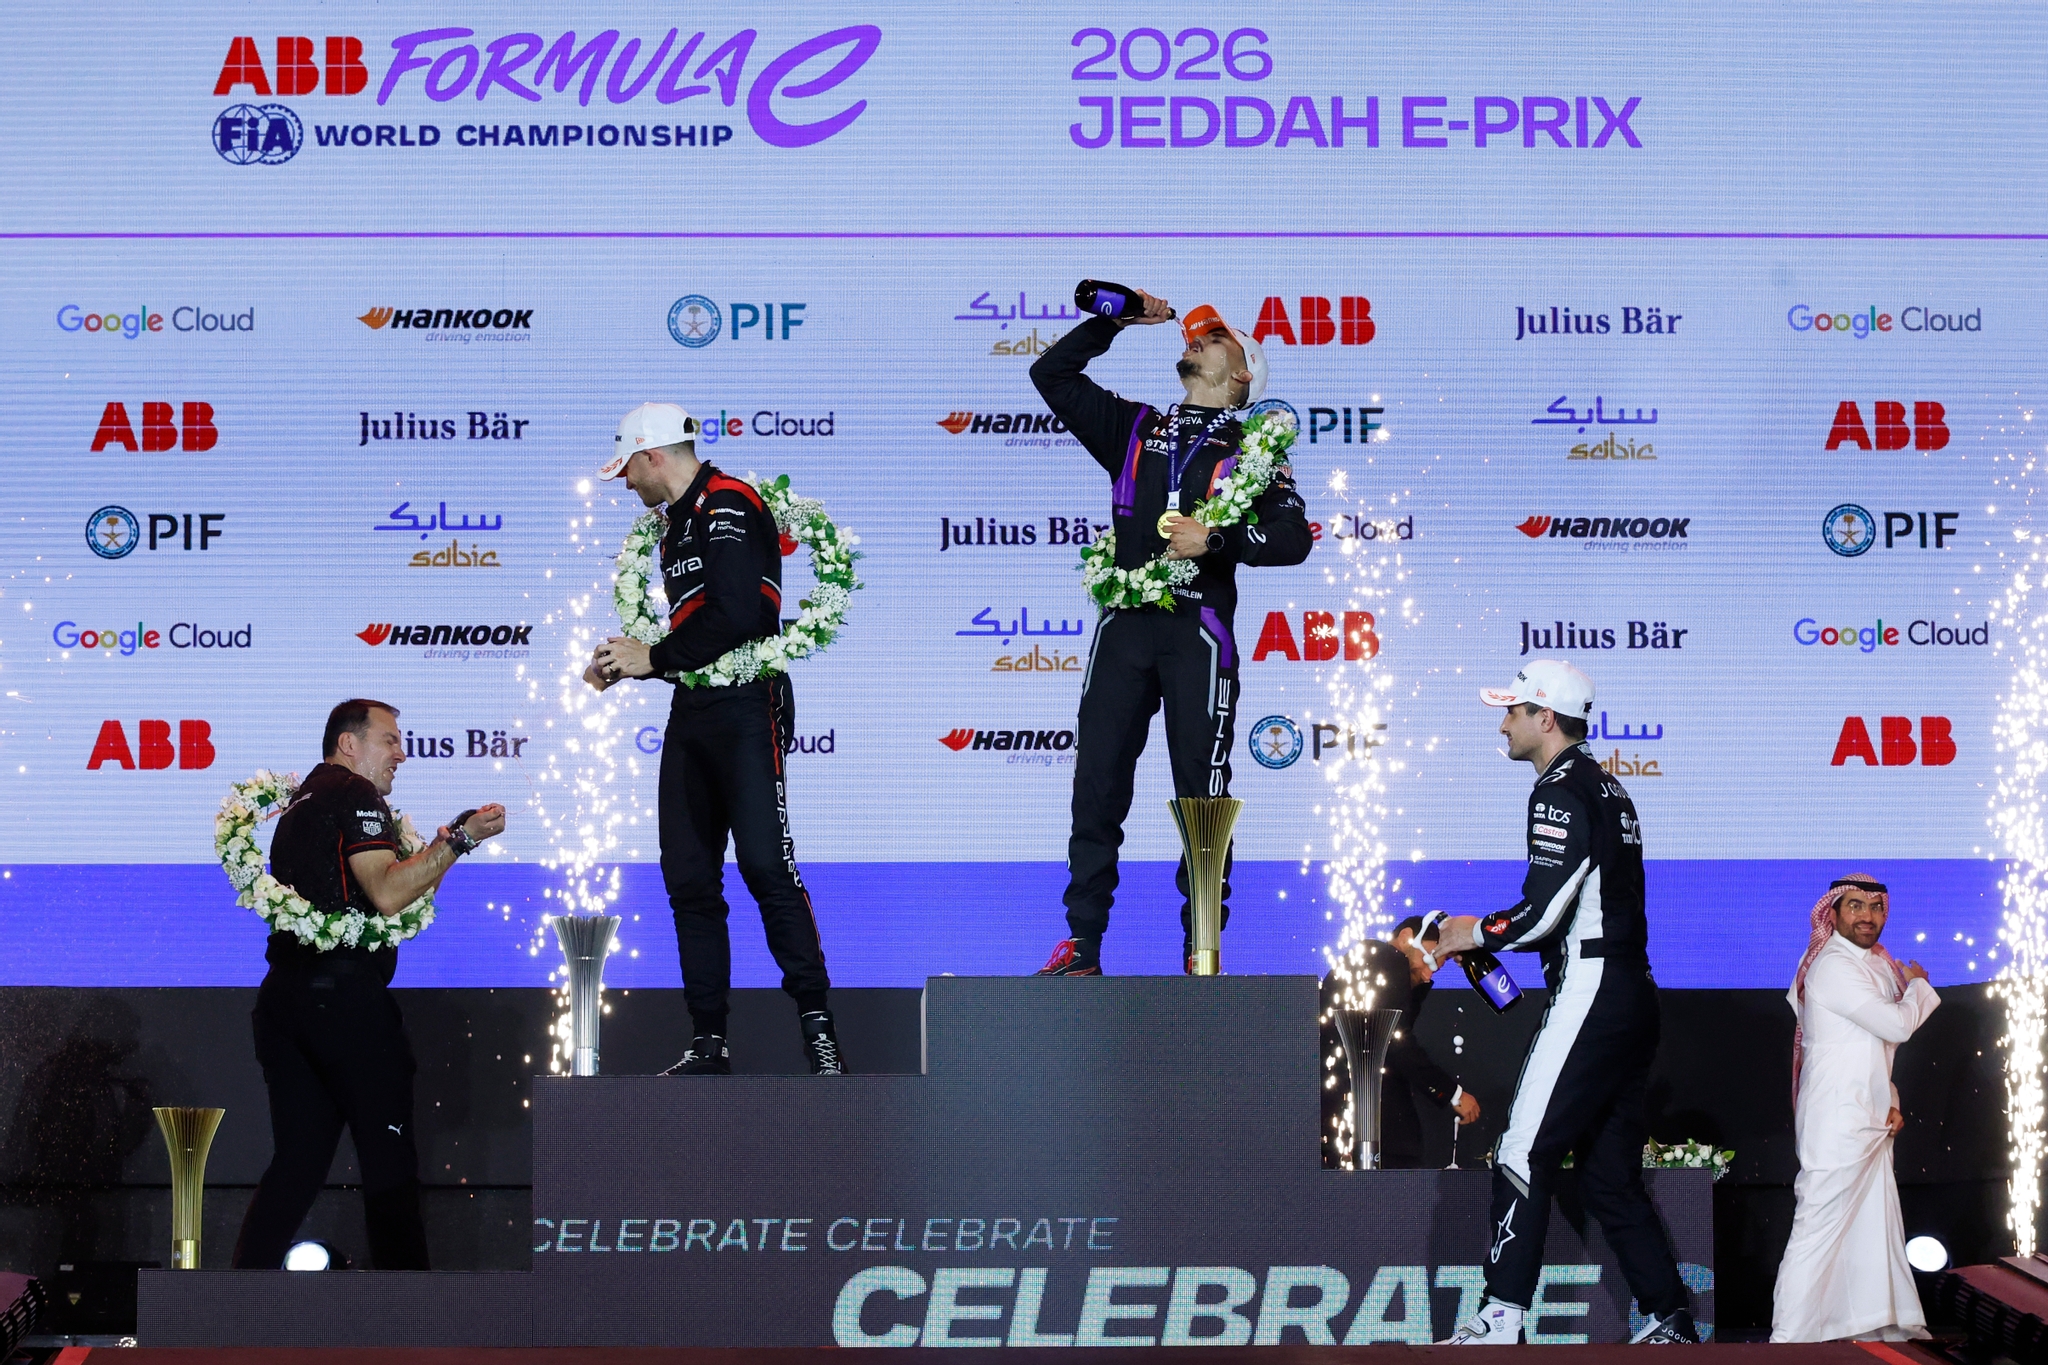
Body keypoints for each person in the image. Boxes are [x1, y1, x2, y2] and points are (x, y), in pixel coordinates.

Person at [1028, 290, 1312, 976]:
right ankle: (1083, 945)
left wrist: (1214, 538)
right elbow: (1052, 376)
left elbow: (1294, 537)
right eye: (1196, 334)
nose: (1197, 339)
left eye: (1216, 337)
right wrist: (1115, 318)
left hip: (1198, 633)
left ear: (1242, 373)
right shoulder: (1135, 428)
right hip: (1125, 626)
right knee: (1096, 784)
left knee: (1203, 799)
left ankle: (1203, 950)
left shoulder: (1253, 447)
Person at [1427, 660, 1696, 1344]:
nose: (1503, 721)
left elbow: (1544, 913)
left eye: (1512, 710)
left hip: (1593, 989)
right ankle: (1668, 1317)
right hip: (1634, 992)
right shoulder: (1610, 787)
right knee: (1609, 1176)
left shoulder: (1557, 789)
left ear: (1545, 718)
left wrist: (1472, 932)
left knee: (1521, 1150)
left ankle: (1502, 1314)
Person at [587, 402, 843, 1076]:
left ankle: (819, 1032)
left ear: (653, 455)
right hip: (696, 707)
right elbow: (695, 631)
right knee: (690, 877)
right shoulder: (672, 530)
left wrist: (656, 657)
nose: (626, 485)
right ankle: (708, 1041)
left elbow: (739, 612)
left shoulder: (729, 502)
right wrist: (631, 660)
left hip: (747, 702)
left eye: (628, 470)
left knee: (766, 865)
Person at [233, 698, 505, 1270]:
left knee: (298, 1163)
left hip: (284, 1001)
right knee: (388, 1159)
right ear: (349, 744)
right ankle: (407, 1322)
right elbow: (385, 893)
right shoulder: (355, 794)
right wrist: (459, 838)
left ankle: (237, 1306)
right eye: (390, 740)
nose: (402, 754)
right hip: (346, 1005)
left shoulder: (300, 801)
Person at [1771, 875, 1939, 1343]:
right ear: (1833, 913)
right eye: (1855, 906)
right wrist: (1920, 988)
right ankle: (1787, 1339)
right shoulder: (1832, 966)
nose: (1867, 916)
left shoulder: (1879, 965)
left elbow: (1878, 1045)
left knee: (1873, 1219)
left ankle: (1876, 1324)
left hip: (1868, 1110)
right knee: (1818, 1224)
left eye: (1876, 907)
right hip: (1837, 1113)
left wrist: (1892, 1100)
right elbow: (1896, 1025)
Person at [1320, 919, 1483, 1169]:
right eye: (1431, 957)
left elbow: (1391, 1026)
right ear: (1406, 937)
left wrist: (1418, 982)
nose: (1430, 972)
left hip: (1349, 1116)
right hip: (1371, 1120)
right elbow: (1396, 1040)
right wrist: (1453, 1093)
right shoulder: (1388, 957)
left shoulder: (1368, 963)